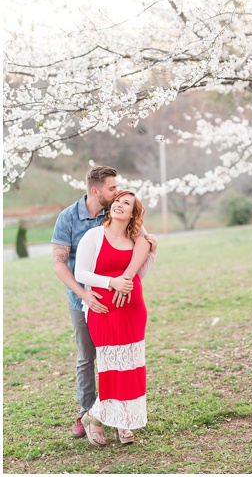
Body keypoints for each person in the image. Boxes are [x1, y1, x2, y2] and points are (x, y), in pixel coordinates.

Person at [49, 166, 155, 441]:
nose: (118, 193)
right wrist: (84, 294)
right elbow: (61, 265)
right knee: (88, 358)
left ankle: (121, 418)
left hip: (125, 306)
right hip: (82, 298)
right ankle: (89, 414)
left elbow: (142, 249)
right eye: (112, 189)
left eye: (121, 194)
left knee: (126, 362)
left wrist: (129, 275)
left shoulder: (123, 218)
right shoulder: (70, 219)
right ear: (96, 191)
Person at [73, 190, 154, 445]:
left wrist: (149, 253)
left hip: (133, 310)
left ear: (133, 213)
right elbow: (81, 273)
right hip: (103, 311)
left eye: (127, 203)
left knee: (132, 368)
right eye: (118, 200)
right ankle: (94, 418)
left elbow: (141, 272)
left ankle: (124, 421)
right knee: (112, 368)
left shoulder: (135, 239)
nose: (120, 204)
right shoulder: (94, 236)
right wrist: (112, 282)